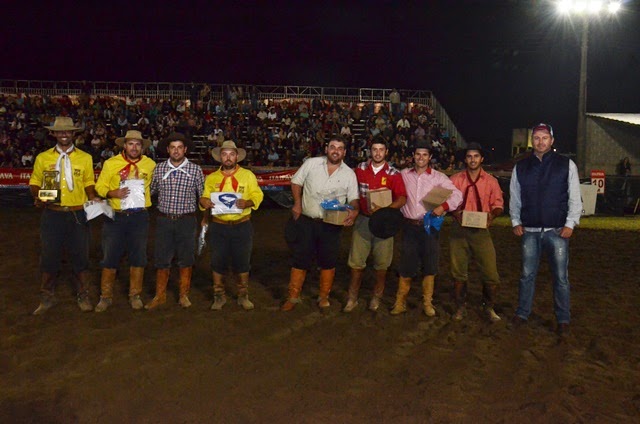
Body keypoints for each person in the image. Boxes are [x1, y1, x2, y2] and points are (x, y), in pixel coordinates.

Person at [510, 123, 582, 335]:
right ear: (532, 141)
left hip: (557, 230)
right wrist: (515, 221)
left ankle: (563, 318)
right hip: (529, 231)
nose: (540, 142)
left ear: (552, 140)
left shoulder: (566, 165)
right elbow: (515, 196)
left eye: (544, 138)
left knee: (560, 277)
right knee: (526, 275)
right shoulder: (521, 167)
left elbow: (574, 196)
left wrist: (570, 223)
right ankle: (522, 313)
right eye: (537, 138)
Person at [281, 136, 359, 311]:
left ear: (344, 152)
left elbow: (354, 198)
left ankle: (324, 296)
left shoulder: (349, 174)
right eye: (332, 147)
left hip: (332, 224)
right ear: (326, 149)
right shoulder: (311, 164)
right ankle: (293, 296)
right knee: (300, 258)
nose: (335, 151)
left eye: (339, 148)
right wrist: (297, 203)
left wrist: (355, 210)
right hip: (307, 221)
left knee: (328, 260)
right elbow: (296, 182)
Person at [29, 116, 97, 314]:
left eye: (68, 131)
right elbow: (35, 182)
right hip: (53, 214)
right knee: (49, 257)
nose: (64, 134)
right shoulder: (43, 158)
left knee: (80, 256)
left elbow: (88, 182)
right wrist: (38, 195)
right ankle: (46, 297)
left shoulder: (85, 158)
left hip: (77, 213)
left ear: (73, 134)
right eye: (60, 131)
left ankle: (83, 295)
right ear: (54, 134)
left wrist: (92, 197)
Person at [392, 140, 462, 316]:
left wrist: (443, 207)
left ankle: (427, 303)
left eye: (424, 154)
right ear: (413, 156)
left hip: (429, 227)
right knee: (406, 265)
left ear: (430, 157)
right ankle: (400, 302)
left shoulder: (439, 177)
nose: (421, 157)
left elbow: (457, 195)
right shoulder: (403, 174)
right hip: (409, 226)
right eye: (418, 154)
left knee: (430, 265)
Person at [94, 130, 156, 312]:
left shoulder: (150, 165)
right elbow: (100, 186)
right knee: (110, 255)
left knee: (138, 255)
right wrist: (112, 192)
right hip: (116, 216)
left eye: (138, 144)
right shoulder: (111, 163)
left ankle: (135, 295)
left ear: (142, 147)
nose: (134, 147)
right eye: (131, 144)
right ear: (124, 146)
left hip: (139, 216)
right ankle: (105, 296)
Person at [343, 137, 407, 312]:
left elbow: (402, 198)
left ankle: (376, 297)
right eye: (375, 149)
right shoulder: (359, 170)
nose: (378, 153)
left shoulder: (394, 174)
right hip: (363, 219)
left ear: (386, 152)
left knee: (382, 265)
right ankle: (352, 298)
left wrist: (386, 209)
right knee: (356, 263)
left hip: (385, 223)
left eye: (381, 150)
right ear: (370, 151)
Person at [199, 140, 263, 311]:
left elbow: (257, 194)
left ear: (237, 157)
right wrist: (203, 201)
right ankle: (218, 295)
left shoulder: (248, 176)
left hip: (242, 225)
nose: (228, 157)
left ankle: (243, 295)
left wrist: (248, 202)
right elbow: (205, 196)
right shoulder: (212, 178)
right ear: (220, 157)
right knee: (217, 260)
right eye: (225, 154)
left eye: (231, 154)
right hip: (219, 225)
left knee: (242, 260)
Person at [145, 132, 204, 310]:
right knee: (162, 258)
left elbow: (203, 195)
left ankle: (183, 295)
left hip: (187, 221)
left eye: (179, 147)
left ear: (185, 150)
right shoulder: (159, 169)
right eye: (173, 147)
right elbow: (150, 191)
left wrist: (209, 210)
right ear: (168, 150)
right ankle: (160, 295)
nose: (176, 151)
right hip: (164, 220)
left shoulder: (195, 170)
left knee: (186, 257)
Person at [449, 143, 503, 322]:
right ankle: (460, 306)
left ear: (482, 159)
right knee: (458, 272)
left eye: (476, 156)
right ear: (465, 159)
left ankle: (489, 306)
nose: (472, 159)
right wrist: (455, 213)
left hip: (481, 230)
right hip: (459, 229)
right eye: (469, 156)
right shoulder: (455, 180)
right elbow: (447, 202)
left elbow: (498, 204)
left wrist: (492, 215)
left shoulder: (491, 181)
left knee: (491, 273)